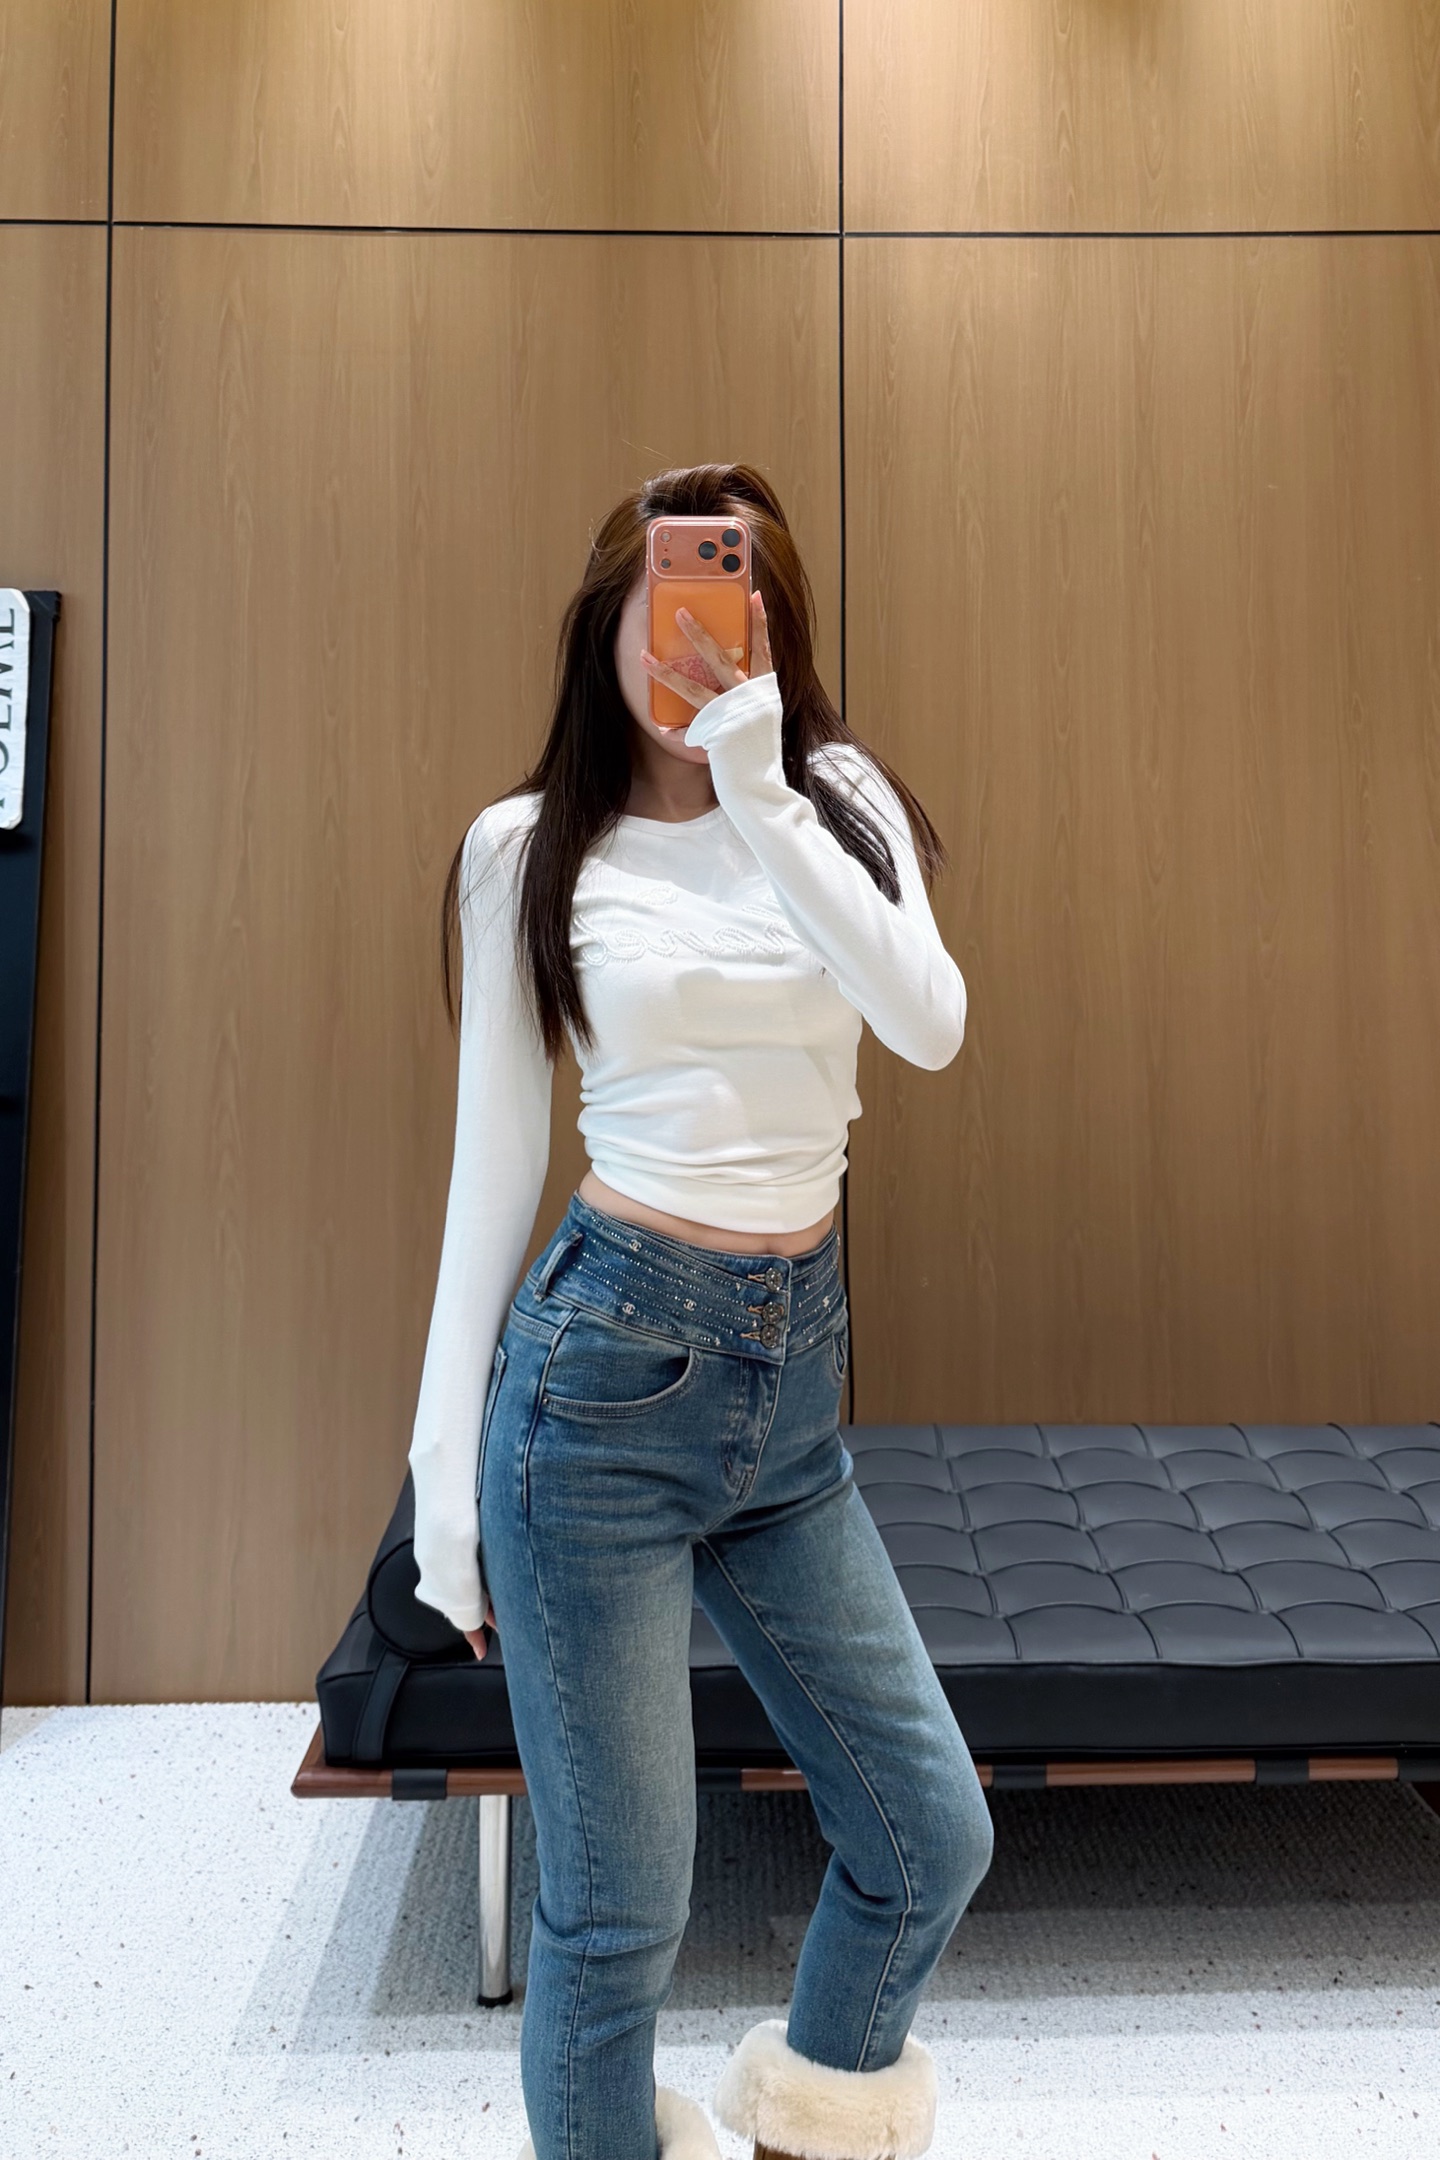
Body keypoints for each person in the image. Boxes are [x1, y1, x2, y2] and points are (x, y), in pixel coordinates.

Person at [407, 462, 994, 2160]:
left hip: (791, 1397)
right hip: (597, 1391)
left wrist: (762, 784)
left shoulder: (835, 800)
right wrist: (443, 1464)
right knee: (616, 1915)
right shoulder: (525, 848)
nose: (690, 642)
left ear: (774, 631)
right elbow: (494, 1165)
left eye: (730, 609)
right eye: (661, 607)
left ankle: (809, 2123)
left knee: (927, 1836)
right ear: (607, 626)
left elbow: (930, 1022)